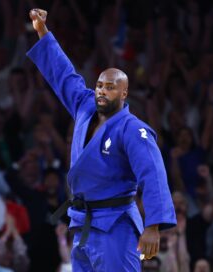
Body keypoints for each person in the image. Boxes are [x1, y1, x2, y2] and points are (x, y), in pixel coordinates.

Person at [26, 9, 176, 271]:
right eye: (99, 85)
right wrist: (42, 31)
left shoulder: (133, 129)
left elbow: (153, 174)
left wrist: (153, 226)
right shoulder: (85, 107)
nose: (102, 91)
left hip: (115, 225)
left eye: (110, 87)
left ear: (124, 92)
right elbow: (64, 75)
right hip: (83, 222)